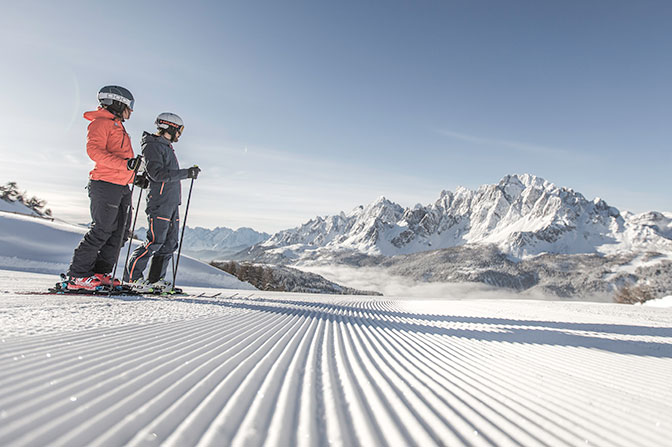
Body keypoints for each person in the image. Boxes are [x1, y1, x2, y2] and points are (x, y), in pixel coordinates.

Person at [66, 85, 142, 290]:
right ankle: (78, 275)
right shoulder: (101, 123)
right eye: (129, 105)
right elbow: (95, 152)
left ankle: (100, 273)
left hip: (121, 185)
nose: (131, 111)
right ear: (117, 103)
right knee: (102, 229)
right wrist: (127, 165)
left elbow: (121, 160)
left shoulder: (118, 126)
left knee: (120, 233)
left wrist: (135, 176)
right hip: (105, 184)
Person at [124, 112, 200, 292]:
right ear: (170, 127)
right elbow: (156, 174)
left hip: (172, 201)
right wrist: (186, 173)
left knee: (170, 243)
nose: (180, 135)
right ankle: (133, 279)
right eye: (179, 130)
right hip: (160, 201)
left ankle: (155, 280)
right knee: (155, 241)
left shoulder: (165, 146)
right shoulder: (153, 146)